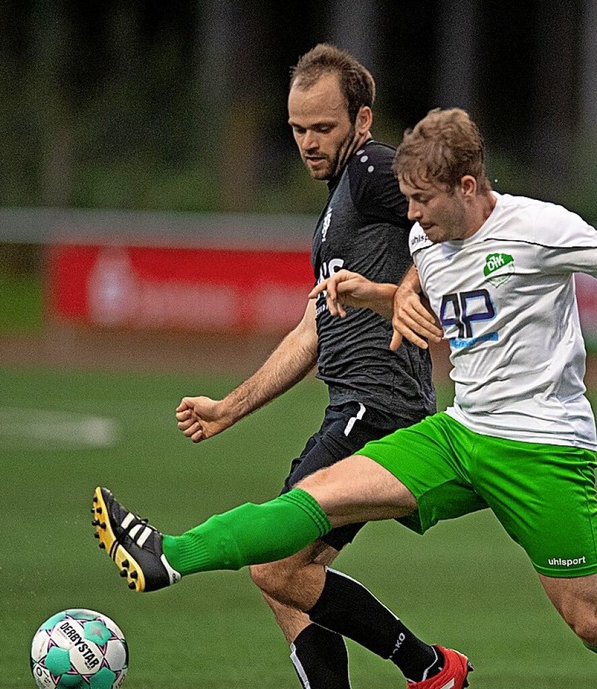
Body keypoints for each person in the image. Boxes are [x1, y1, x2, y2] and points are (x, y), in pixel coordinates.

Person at [93, 107, 597, 680]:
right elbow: (432, 295)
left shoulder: (541, 229)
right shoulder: (427, 242)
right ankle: (171, 556)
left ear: (466, 186)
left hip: (542, 447)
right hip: (459, 434)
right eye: (405, 199)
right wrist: (378, 294)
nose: (410, 215)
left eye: (421, 201)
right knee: (315, 498)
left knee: (588, 620)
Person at [173, 43, 441, 689]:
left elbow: (448, 218)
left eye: (323, 127)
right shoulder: (330, 216)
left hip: (376, 407)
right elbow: (312, 329)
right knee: (284, 576)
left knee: (273, 563)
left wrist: (403, 288)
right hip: (354, 407)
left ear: (363, 120)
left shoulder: (373, 170)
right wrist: (228, 407)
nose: (308, 142)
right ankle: (420, 670)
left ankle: (428, 666)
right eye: (297, 129)